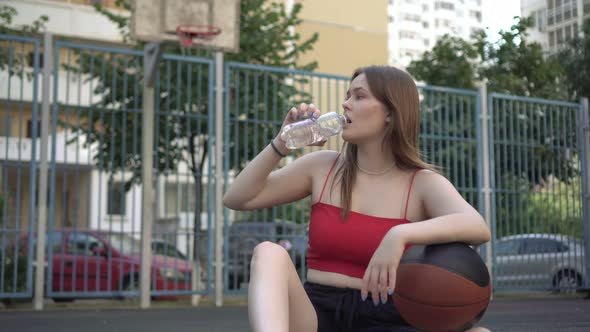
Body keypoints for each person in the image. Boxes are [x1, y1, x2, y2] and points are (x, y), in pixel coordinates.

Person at [223, 65, 492, 332]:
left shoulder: (421, 183)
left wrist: (399, 235)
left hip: (388, 317)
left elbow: (477, 228)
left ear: (390, 112)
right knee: (269, 252)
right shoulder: (322, 168)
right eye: (347, 95)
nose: (345, 104)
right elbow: (237, 198)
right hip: (316, 316)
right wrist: (281, 143)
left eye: (359, 96)